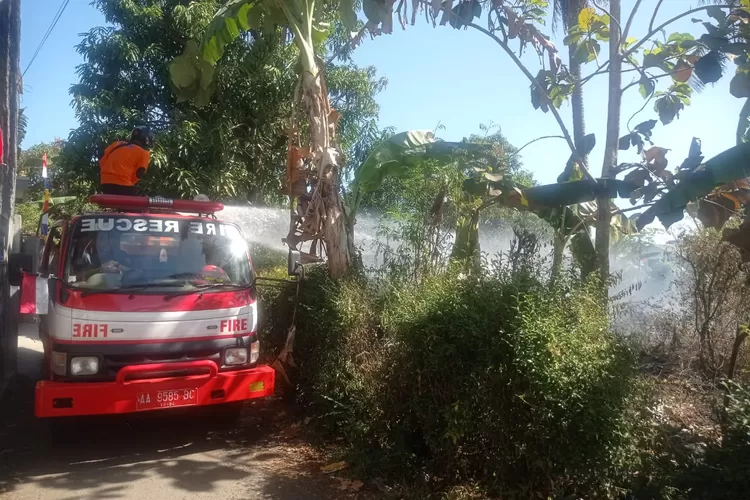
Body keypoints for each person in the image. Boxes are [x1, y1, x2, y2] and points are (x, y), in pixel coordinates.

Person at [99, 126, 154, 195]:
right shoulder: (144, 153)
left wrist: (107, 171)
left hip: (105, 184)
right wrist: (129, 181)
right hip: (123, 185)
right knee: (138, 204)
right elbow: (139, 172)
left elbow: (101, 157)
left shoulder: (117, 144)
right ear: (146, 139)